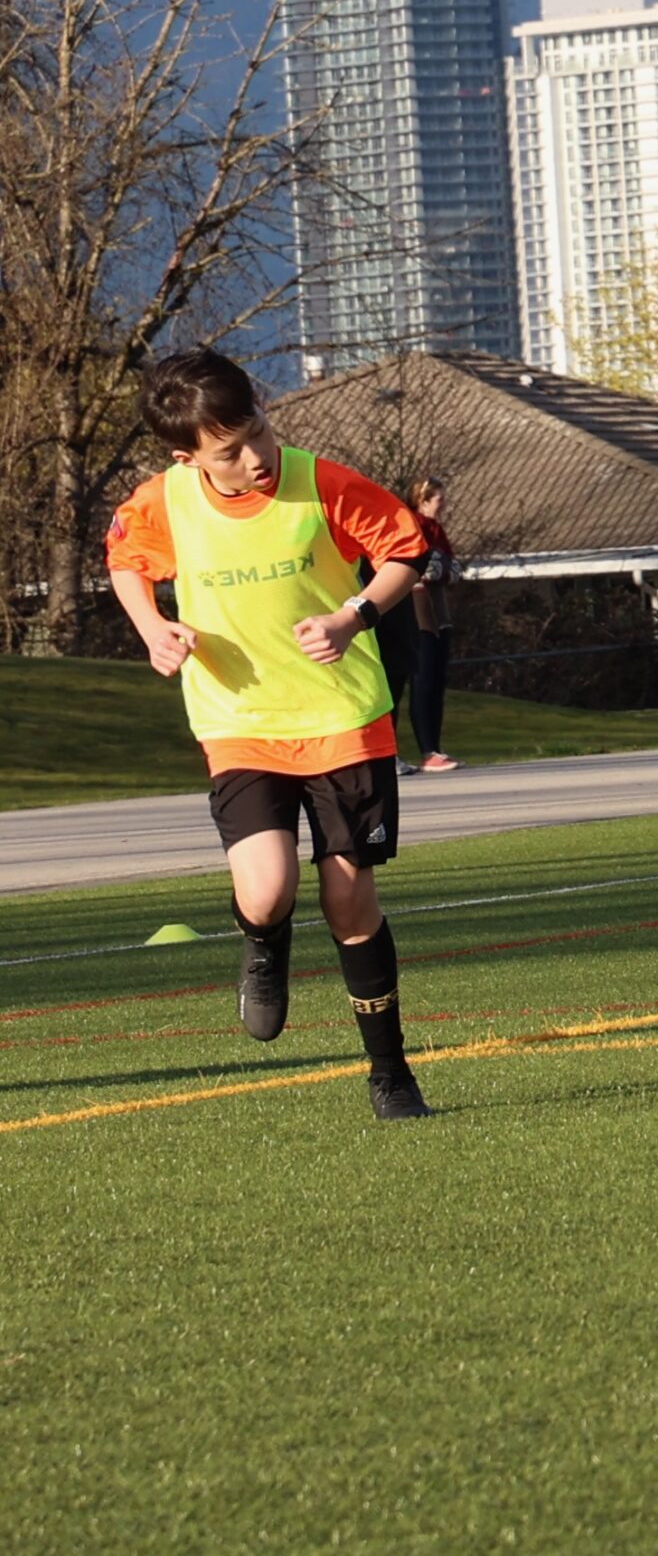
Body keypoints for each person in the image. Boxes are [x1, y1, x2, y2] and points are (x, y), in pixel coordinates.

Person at [103, 347, 434, 1120]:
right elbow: (125, 560)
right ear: (188, 457)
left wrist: (355, 617)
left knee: (350, 903)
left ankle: (391, 1075)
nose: (254, 455)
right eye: (230, 450)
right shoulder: (162, 501)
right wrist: (152, 627)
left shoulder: (319, 481)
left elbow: (405, 549)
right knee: (267, 889)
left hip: (344, 719)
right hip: (238, 722)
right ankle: (264, 943)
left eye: (256, 430)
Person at [406, 477, 461, 771]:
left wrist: (448, 570)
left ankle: (436, 748)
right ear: (423, 499)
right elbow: (415, 566)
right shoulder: (413, 524)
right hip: (419, 606)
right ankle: (426, 750)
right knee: (424, 678)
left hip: (438, 606)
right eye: (439, 499)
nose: (444, 503)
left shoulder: (437, 529)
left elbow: (448, 566)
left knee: (438, 680)